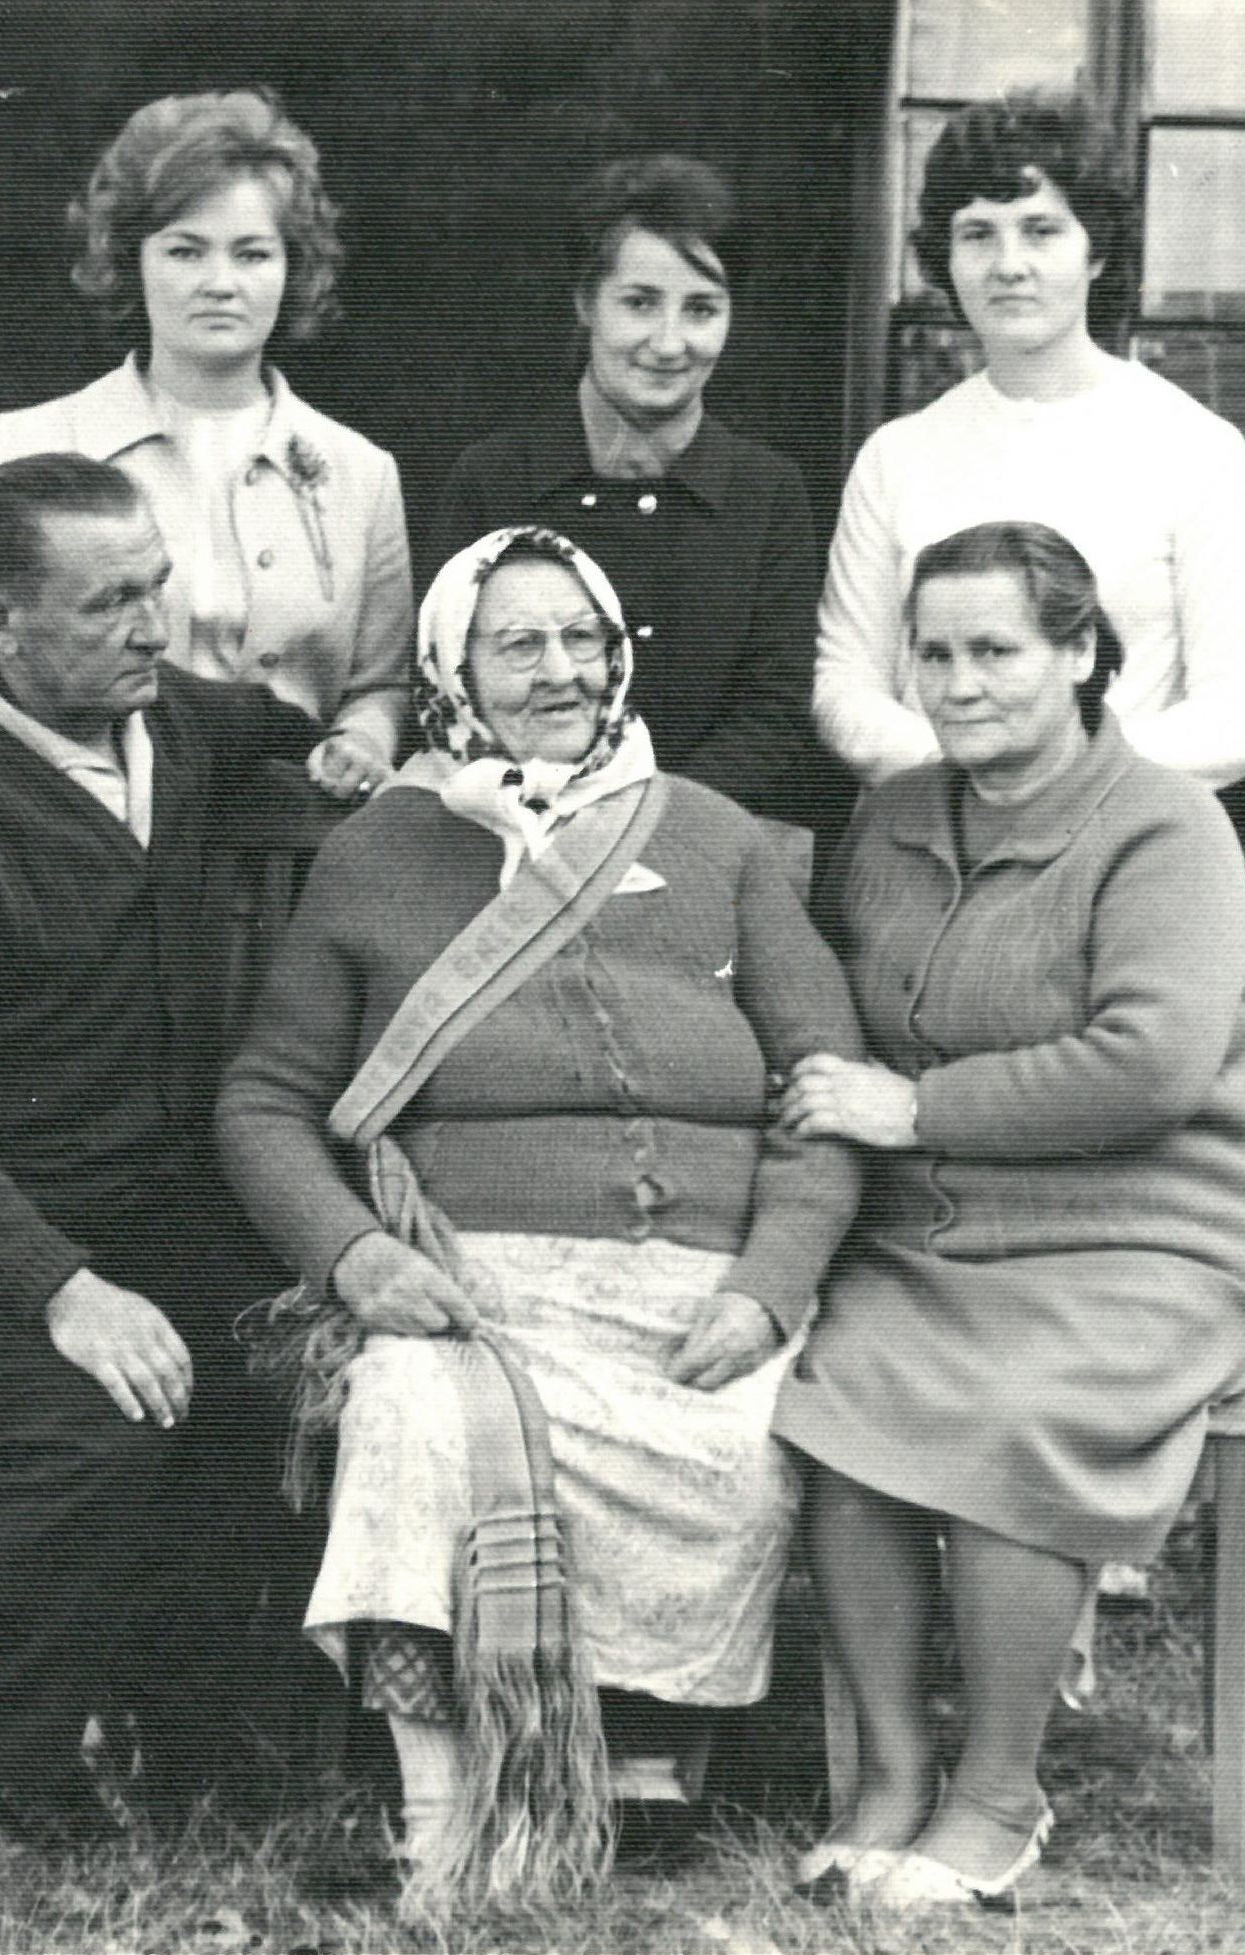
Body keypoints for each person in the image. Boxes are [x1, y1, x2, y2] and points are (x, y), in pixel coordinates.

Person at [216, 524, 863, 1916]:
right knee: (406, 1413)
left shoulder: (709, 833)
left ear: (620, 650)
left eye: (582, 636)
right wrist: (355, 1254)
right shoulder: (385, 850)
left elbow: (825, 1094)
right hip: (474, 1282)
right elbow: (263, 1102)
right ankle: (443, 1799)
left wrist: (768, 1283)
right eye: (517, 643)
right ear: (455, 669)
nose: (559, 668)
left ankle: (631, 1752)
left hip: (701, 1276)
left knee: (740, 1438)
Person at [0, 454, 323, 1890]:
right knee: (94, 1421)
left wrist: (346, 749)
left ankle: (181, 1718)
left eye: (160, 584)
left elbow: (256, 716)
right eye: (111, 602)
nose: (159, 624)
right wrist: (63, 1293)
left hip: (132, 1191)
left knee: (286, 1352)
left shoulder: (156, 719)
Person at [775, 521, 1245, 1910]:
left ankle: (997, 1794)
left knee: (1009, 1410)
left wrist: (915, 1110)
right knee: (834, 1397)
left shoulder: (1166, 825)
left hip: (1144, 1235)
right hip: (933, 1231)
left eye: (994, 648)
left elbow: (1153, 1062)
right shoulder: (889, 815)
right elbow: (828, 1010)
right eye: (930, 653)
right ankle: (888, 1774)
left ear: (1076, 654)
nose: (958, 681)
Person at [0, 87, 408, 802]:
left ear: (294, 267)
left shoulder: (360, 473)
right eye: (185, 250)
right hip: (83, 850)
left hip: (294, 859)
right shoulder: (37, 440)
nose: (220, 284)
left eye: (253, 253)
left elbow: (379, 684)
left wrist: (360, 741)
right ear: (129, 258)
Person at [813, 94, 1245, 794]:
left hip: (1120, 837)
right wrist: (964, 776)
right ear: (944, 258)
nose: (1009, 264)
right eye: (977, 234)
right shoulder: (896, 457)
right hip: (923, 837)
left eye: (1040, 231)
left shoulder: (1198, 452)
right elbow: (843, 687)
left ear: (1096, 251)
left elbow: (1244, 713)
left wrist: (1060, 779)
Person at [431, 155, 838, 832]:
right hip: (511, 841)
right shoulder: (493, 480)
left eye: (701, 308)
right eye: (640, 302)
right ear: (586, 301)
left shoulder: (768, 495)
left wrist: (642, 824)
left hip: (701, 839)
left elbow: (773, 712)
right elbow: (452, 688)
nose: (669, 342)